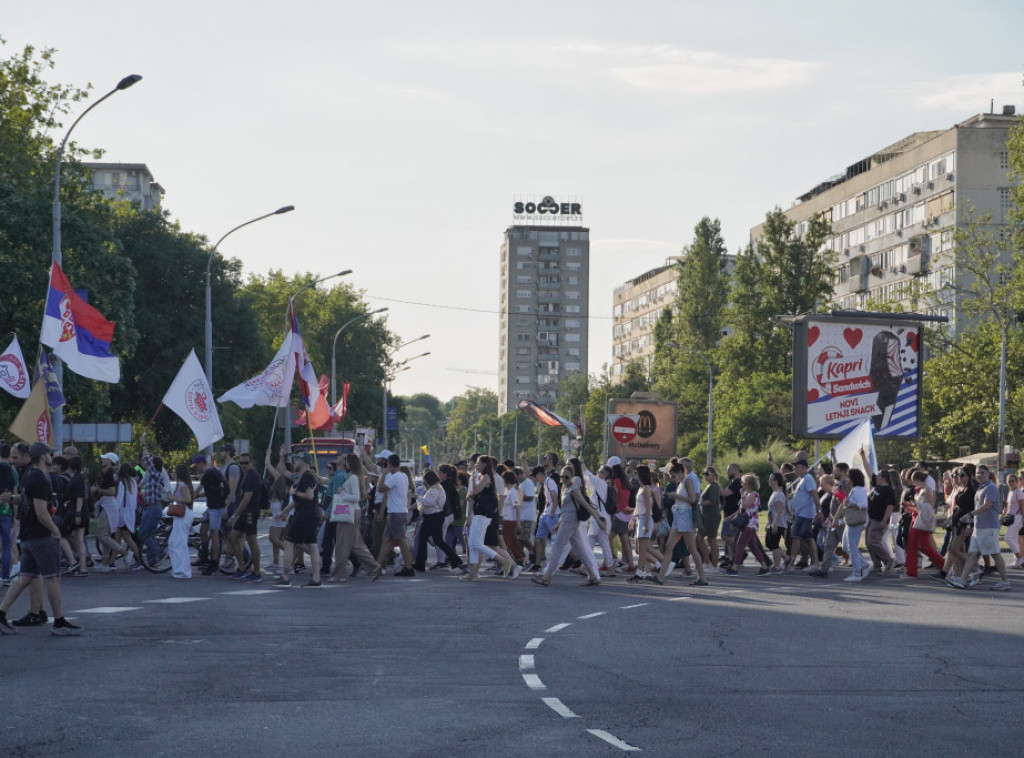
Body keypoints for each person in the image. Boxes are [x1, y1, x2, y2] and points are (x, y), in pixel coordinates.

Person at [0, 443, 82, 635]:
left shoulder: (30, 475)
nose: (51, 456)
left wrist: (11, 498)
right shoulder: (40, 478)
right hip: (41, 536)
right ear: (42, 456)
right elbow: (41, 512)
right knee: (53, 577)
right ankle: (60, 622)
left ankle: (1, 614)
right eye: (49, 453)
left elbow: (26, 499)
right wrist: (55, 531)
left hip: (28, 536)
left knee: (25, 578)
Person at [532, 467, 602, 587]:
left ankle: (546, 577)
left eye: (567, 477)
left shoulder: (574, 489)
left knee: (557, 548)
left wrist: (599, 521)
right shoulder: (565, 488)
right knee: (580, 550)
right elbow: (565, 510)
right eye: (562, 477)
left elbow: (587, 505)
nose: (564, 479)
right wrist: (558, 523)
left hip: (570, 523)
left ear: (572, 477)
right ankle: (593, 576)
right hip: (567, 522)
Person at [947, 465, 1009, 591]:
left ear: (988, 474)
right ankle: (963, 580)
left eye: (982, 473)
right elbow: (977, 507)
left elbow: (987, 506)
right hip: (979, 526)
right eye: (978, 473)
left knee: (995, 554)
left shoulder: (991, 488)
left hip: (989, 526)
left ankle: (1005, 581)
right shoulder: (981, 488)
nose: (979, 475)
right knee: (971, 554)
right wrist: (971, 524)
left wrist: (969, 515)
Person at [272, 452, 323, 587]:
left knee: (289, 543)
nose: (294, 461)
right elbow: (296, 501)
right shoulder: (305, 476)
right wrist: (283, 512)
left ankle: (285, 577)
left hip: (304, 515)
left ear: (304, 461)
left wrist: (295, 492)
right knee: (312, 546)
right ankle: (316, 578)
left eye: (297, 459)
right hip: (310, 515)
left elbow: (309, 496)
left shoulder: (306, 476)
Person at [328, 454, 379, 581]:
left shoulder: (353, 478)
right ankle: (374, 567)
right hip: (353, 511)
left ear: (349, 463)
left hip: (348, 512)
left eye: (345, 461)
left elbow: (356, 497)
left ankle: (339, 574)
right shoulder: (354, 477)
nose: (344, 463)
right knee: (356, 543)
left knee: (342, 543)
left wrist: (342, 494)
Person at [655, 462, 708, 586]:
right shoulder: (680, 483)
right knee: (669, 546)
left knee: (692, 548)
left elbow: (692, 499)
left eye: (673, 475)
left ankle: (702, 578)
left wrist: (676, 496)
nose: (673, 478)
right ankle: (661, 577)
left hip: (685, 516)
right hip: (678, 516)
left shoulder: (687, 481)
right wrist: (672, 496)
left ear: (679, 472)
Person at [461, 456, 511, 581]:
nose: (475, 465)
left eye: (478, 463)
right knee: (472, 544)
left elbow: (476, 491)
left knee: (477, 543)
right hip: (479, 512)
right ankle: (473, 573)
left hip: (485, 514)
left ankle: (504, 561)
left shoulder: (487, 477)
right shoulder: (482, 477)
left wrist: (472, 479)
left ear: (484, 464)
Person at [372, 454, 415, 580]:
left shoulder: (395, 477)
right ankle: (378, 566)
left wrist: (384, 474)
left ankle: (408, 567)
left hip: (396, 512)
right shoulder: (403, 476)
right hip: (398, 511)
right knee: (387, 540)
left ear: (389, 464)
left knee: (401, 541)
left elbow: (380, 489)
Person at [413, 469, 465, 574]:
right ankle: (420, 563)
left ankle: (455, 560)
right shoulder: (435, 488)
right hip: (432, 517)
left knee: (435, 541)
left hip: (433, 517)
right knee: (428, 540)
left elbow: (429, 502)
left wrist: (417, 497)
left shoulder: (435, 489)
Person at [226, 452, 263, 582]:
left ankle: (257, 573)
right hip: (244, 513)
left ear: (252, 462)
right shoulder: (246, 476)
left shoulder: (253, 476)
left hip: (250, 512)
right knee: (232, 537)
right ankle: (241, 568)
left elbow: (247, 498)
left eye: (246, 462)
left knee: (252, 541)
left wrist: (234, 516)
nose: (243, 465)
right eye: (241, 463)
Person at [724, 474, 771, 577]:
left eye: (744, 483)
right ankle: (764, 567)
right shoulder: (747, 494)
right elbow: (741, 510)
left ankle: (735, 568)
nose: (742, 485)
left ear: (749, 484)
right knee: (753, 546)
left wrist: (742, 496)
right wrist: (734, 522)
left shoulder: (754, 494)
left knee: (739, 545)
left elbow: (744, 506)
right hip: (747, 523)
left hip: (750, 524)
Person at [903, 471, 944, 580]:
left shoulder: (927, 489)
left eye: (913, 480)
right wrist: (910, 507)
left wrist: (915, 505)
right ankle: (911, 571)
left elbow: (929, 507)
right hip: (916, 518)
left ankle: (944, 565)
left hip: (922, 520)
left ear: (918, 479)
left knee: (924, 546)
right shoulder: (921, 489)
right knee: (913, 545)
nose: (913, 482)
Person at [137, 437, 171, 568]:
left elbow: (146, 458)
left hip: (152, 508)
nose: (147, 463)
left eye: (150, 462)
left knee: (143, 534)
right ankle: (152, 561)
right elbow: (141, 484)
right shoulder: (152, 475)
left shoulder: (155, 473)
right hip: (153, 507)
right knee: (151, 534)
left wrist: (144, 445)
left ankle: (158, 551)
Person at [626, 465, 663, 584]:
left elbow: (648, 508)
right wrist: (632, 520)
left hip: (646, 519)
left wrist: (646, 524)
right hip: (639, 519)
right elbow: (638, 508)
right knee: (637, 549)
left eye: (637, 473)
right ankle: (658, 565)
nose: (635, 475)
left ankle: (639, 574)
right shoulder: (640, 489)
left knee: (642, 549)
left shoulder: (647, 488)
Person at [195, 454, 230, 576]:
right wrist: (200, 496)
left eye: (196, 466)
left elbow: (197, 490)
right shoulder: (215, 471)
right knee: (203, 529)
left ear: (201, 464)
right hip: (212, 506)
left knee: (214, 533)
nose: (196, 469)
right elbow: (212, 490)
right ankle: (204, 556)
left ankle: (214, 562)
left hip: (216, 507)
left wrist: (189, 498)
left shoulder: (207, 474)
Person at [786, 458, 820, 571]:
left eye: (796, 466)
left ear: (803, 467)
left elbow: (815, 496)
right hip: (800, 514)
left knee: (796, 537)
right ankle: (815, 563)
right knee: (808, 538)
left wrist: (819, 512)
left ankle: (790, 564)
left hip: (804, 515)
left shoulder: (808, 479)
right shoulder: (802, 479)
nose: (794, 468)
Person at [837, 468, 871, 582]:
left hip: (856, 521)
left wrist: (850, 503)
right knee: (846, 546)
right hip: (851, 521)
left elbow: (863, 504)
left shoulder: (858, 490)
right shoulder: (855, 489)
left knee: (852, 547)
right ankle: (865, 565)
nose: (847, 479)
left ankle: (856, 574)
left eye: (848, 477)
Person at [865, 469, 896, 574]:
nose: (876, 477)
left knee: (873, 542)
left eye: (878, 475)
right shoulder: (877, 487)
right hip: (870, 518)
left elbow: (890, 506)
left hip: (878, 520)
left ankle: (888, 560)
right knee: (869, 544)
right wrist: (863, 456)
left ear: (884, 478)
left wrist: (884, 520)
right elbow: (869, 473)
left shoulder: (889, 491)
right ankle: (876, 566)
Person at [168, 464, 195, 579]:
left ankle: (182, 570)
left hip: (183, 513)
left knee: (179, 543)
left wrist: (174, 498)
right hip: (182, 514)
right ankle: (179, 569)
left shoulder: (183, 484)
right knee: (175, 542)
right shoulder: (183, 484)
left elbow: (188, 499)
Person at [0, 442, 19, 586]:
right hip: (6, 511)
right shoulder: (13, 472)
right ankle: (5, 576)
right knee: (7, 544)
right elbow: (15, 495)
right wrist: (15, 517)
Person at [699, 466, 722, 570]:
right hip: (707, 516)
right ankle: (708, 562)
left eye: (707, 474)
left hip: (712, 516)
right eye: (704, 474)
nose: (705, 476)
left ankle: (713, 565)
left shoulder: (713, 486)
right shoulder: (710, 485)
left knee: (711, 539)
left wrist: (698, 503)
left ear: (713, 475)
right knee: (701, 539)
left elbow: (712, 501)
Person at [765, 472, 789, 572]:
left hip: (778, 523)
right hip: (772, 522)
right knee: (769, 543)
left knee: (774, 544)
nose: (768, 481)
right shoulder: (774, 493)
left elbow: (779, 511)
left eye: (770, 479)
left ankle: (777, 566)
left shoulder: (779, 494)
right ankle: (787, 559)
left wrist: (775, 524)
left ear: (775, 481)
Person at [1001, 474, 1023, 568]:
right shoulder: (1010, 492)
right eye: (1009, 481)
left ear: (1017, 482)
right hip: (1011, 518)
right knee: (1014, 539)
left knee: (1008, 538)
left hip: (1017, 518)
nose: (1011, 483)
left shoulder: (1019, 492)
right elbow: (1007, 506)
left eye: (1013, 481)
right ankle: (1017, 561)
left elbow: (1023, 506)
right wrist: (1003, 515)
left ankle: (1020, 557)